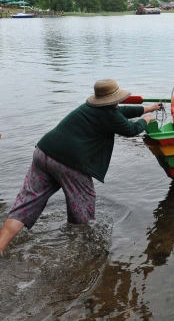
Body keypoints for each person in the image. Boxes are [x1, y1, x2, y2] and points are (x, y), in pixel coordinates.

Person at [0, 79, 161, 254]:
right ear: (114, 98)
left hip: (43, 152)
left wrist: (150, 107)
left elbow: (123, 111)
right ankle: (82, 253)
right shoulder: (109, 115)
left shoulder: (91, 108)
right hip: (69, 163)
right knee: (83, 208)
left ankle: (1, 245)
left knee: (26, 203)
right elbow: (131, 129)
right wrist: (146, 120)